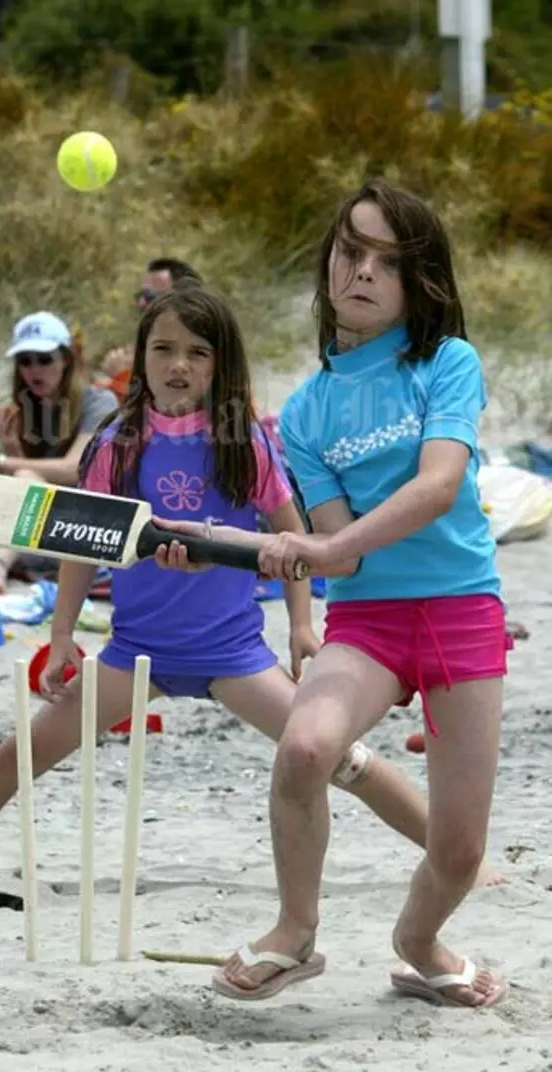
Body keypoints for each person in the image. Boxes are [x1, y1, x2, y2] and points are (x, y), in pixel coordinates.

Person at [0, 284, 489, 894]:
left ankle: (457, 860)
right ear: (142, 357)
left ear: (220, 365)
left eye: (197, 352)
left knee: (342, 759)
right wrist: (64, 635)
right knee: (22, 753)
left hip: (233, 655)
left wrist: (299, 627)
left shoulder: (244, 443)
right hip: (134, 652)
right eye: (163, 349)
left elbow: (292, 540)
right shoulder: (116, 446)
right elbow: (79, 546)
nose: (178, 365)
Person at [159, 180, 511, 1008]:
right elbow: (333, 554)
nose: (362, 272)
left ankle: (418, 942)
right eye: (351, 251)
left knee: (457, 852)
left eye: (386, 262)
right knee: (306, 748)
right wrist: (228, 551)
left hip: (462, 609)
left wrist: (323, 547)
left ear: (418, 281)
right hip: (369, 623)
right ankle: (296, 931)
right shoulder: (311, 408)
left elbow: (435, 486)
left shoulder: (446, 365)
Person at [0, 311, 118, 593]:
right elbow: (27, 480)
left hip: (79, 528)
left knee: (25, 476)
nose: (34, 370)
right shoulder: (28, 405)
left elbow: (75, 469)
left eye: (44, 360)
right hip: (32, 530)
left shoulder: (100, 402)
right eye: (25, 361)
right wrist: (11, 445)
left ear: (66, 360)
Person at [99, 257, 203, 398]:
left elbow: (174, 406)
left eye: (150, 297)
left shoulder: (205, 351)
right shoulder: (144, 345)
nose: (141, 303)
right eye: (140, 296)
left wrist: (122, 377)